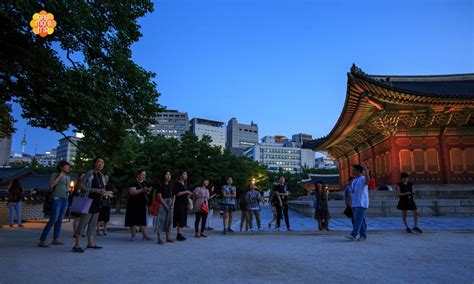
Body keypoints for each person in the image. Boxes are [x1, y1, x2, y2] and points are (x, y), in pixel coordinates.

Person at [73, 157, 107, 253]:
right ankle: (76, 245)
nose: (100, 164)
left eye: (102, 162)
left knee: (92, 224)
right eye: (98, 162)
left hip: (97, 202)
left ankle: (90, 244)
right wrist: (97, 190)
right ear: (94, 163)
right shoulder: (89, 173)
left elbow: (101, 189)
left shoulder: (101, 175)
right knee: (83, 223)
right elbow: (81, 186)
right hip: (88, 202)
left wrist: (106, 193)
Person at [39, 161, 71, 247]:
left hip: (65, 199)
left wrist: (69, 189)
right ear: (61, 167)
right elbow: (51, 185)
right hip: (57, 198)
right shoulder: (55, 174)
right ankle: (42, 240)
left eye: (69, 167)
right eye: (67, 166)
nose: (68, 168)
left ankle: (55, 239)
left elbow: (68, 188)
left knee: (60, 220)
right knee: (53, 219)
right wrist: (60, 175)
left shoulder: (68, 177)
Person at [125, 169, 152, 241]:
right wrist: (142, 190)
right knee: (133, 220)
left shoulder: (145, 183)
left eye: (144, 175)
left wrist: (148, 190)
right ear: (138, 175)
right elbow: (132, 192)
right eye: (142, 174)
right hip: (133, 204)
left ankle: (145, 235)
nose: (143, 176)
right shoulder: (134, 183)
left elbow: (147, 193)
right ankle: (133, 235)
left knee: (142, 220)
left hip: (142, 204)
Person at [345, 164, 370, 241]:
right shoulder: (354, 180)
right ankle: (363, 235)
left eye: (354, 170)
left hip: (361, 202)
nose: (352, 171)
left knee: (357, 220)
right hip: (355, 203)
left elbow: (368, 181)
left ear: (358, 171)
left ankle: (354, 234)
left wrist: (366, 170)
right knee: (360, 219)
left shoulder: (362, 178)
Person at [155, 171, 175, 244]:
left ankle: (168, 237)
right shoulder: (160, 184)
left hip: (170, 202)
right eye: (167, 174)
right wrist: (165, 205)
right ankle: (159, 239)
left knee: (169, 220)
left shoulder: (171, 184)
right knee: (161, 220)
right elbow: (159, 196)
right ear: (163, 176)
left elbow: (174, 195)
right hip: (163, 202)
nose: (168, 176)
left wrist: (173, 204)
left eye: (169, 174)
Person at [173, 171, 193, 241]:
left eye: (186, 174)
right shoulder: (177, 183)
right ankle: (178, 234)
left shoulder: (185, 183)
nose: (186, 176)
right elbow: (177, 193)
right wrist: (187, 192)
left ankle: (180, 233)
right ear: (180, 175)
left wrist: (188, 194)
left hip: (184, 203)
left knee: (183, 218)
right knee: (179, 218)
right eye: (184, 174)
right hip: (179, 203)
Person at [70, 172, 85, 237]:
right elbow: (78, 193)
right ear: (79, 177)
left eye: (85, 176)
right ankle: (75, 232)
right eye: (82, 176)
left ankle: (79, 232)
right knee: (77, 218)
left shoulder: (86, 184)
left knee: (82, 219)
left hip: (84, 202)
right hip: (77, 202)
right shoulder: (78, 184)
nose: (84, 177)